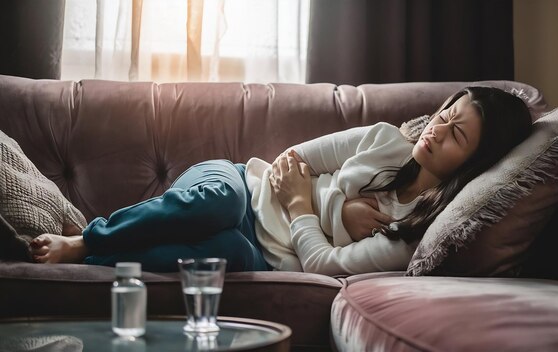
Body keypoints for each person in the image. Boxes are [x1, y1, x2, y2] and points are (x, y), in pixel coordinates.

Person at [29, 86, 532, 276]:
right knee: (219, 210)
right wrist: (336, 213)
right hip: (242, 186)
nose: (438, 129)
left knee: (221, 254)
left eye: (456, 134)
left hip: (266, 255)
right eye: (448, 112)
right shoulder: (385, 140)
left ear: (473, 163)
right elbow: (292, 163)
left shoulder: (411, 234)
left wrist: (306, 208)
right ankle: (86, 239)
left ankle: (97, 258)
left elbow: (320, 267)